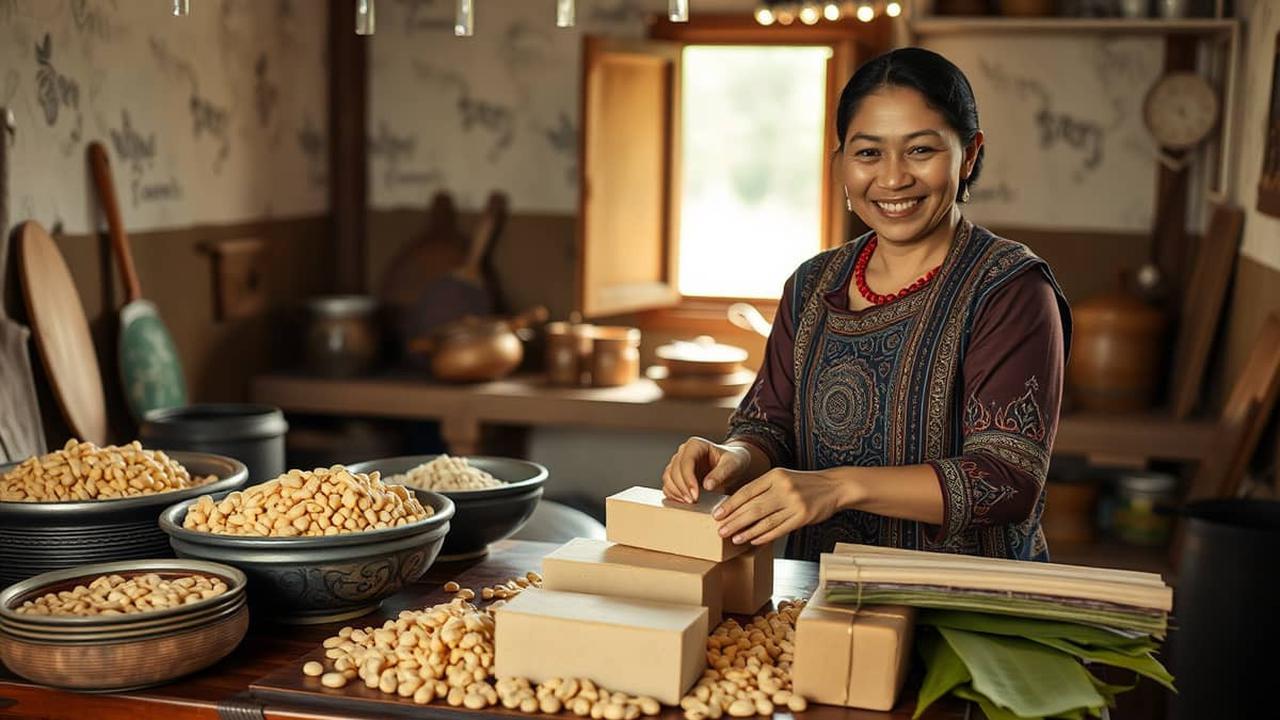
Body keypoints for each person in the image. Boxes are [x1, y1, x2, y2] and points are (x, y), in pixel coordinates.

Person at [661, 47, 1070, 562]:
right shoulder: (811, 284)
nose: (893, 177)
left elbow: (1006, 481)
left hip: (965, 612)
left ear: (968, 155)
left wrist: (836, 486)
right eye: (868, 153)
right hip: (819, 595)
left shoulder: (1009, 290)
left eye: (921, 150)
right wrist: (734, 458)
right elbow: (770, 428)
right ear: (839, 164)